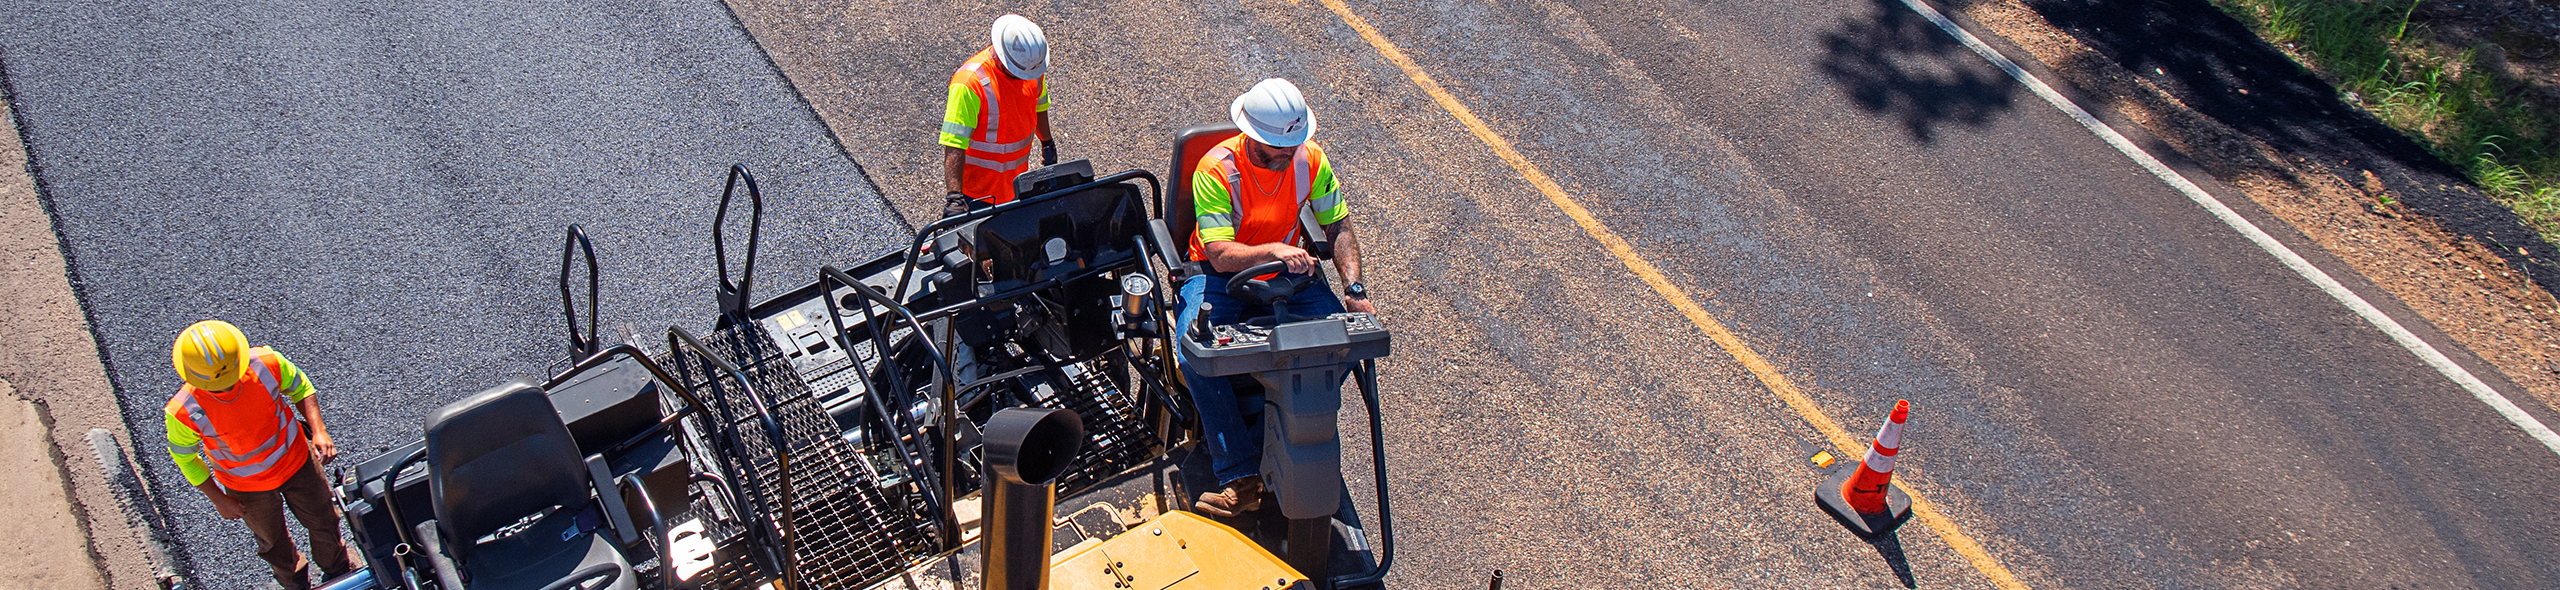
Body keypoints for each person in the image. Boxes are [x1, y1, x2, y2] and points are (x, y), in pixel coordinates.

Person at [1175, 78, 1372, 517]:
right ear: (1251, 135)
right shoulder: (1216, 169)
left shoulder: (1311, 160)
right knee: (1193, 353)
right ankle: (1240, 474)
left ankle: (1273, 437)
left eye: (1293, 147)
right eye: (1276, 150)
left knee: (1347, 343)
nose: (1287, 156)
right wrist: (1275, 250)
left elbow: (1338, 227)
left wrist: (1354, 289)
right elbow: (1220, 254)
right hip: (1217, 275)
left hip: (1288, 274)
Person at [164, 320, 354, 590]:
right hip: (247, 488)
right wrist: (218, 499)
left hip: (297, 462)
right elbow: (186, 459)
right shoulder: (183, 412)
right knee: (273, 544)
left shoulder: (267, 363)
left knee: (324, 520)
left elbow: (301, 387)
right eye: (218, 387)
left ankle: (339, 572)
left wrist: (319, 430)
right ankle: (295, 584)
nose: (227, 389)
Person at [941, 14, 1057, 218]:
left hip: (1016, 184)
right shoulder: (969, 83)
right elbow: (954, 143)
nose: (1024, 79)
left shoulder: (1031, 70)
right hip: (976, 195)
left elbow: (1040, 107)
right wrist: (954, 198)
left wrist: (1047, 143)